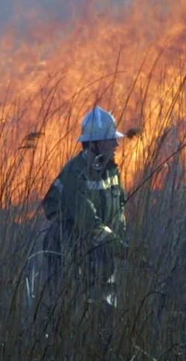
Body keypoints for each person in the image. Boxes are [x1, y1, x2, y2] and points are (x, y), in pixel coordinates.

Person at [40, 105, 129, 309]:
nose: (116, 144)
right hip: (68, 250)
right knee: (73, 309)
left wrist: (124, 243)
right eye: (110, 139)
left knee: (107, 309)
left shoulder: (111, 171)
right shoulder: (75, 173)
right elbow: (89, 223)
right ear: (95, 144)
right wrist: (123, 249)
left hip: (101, 249)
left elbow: (119, 212)